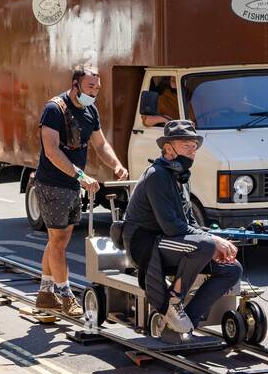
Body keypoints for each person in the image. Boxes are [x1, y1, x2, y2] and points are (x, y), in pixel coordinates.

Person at [122, 120, 242, 335]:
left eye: (194, 147)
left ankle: (189, 321)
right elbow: (170, 226)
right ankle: (173, 302)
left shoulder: (180, 177)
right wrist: (212, 241)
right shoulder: (157, 175)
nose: (192, 152)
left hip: (170, 241)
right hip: (146, 244)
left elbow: (190, 223)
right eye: (186, 146)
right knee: (204, 246)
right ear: (168, 148)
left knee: (232, 269)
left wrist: (215, 238)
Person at [34, 66, 128, 317]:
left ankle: (45, 294)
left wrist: (116, 164)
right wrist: (81, 175)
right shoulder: (54, 109)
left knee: (57, 241)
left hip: (72, 185)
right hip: (52, 183)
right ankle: (65, 295)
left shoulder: (90, 111)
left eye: (97, 88)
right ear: (75, 85)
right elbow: (52, 151)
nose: (94, 92)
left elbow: (100, 144)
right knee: (59, 242)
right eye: (90, 87)